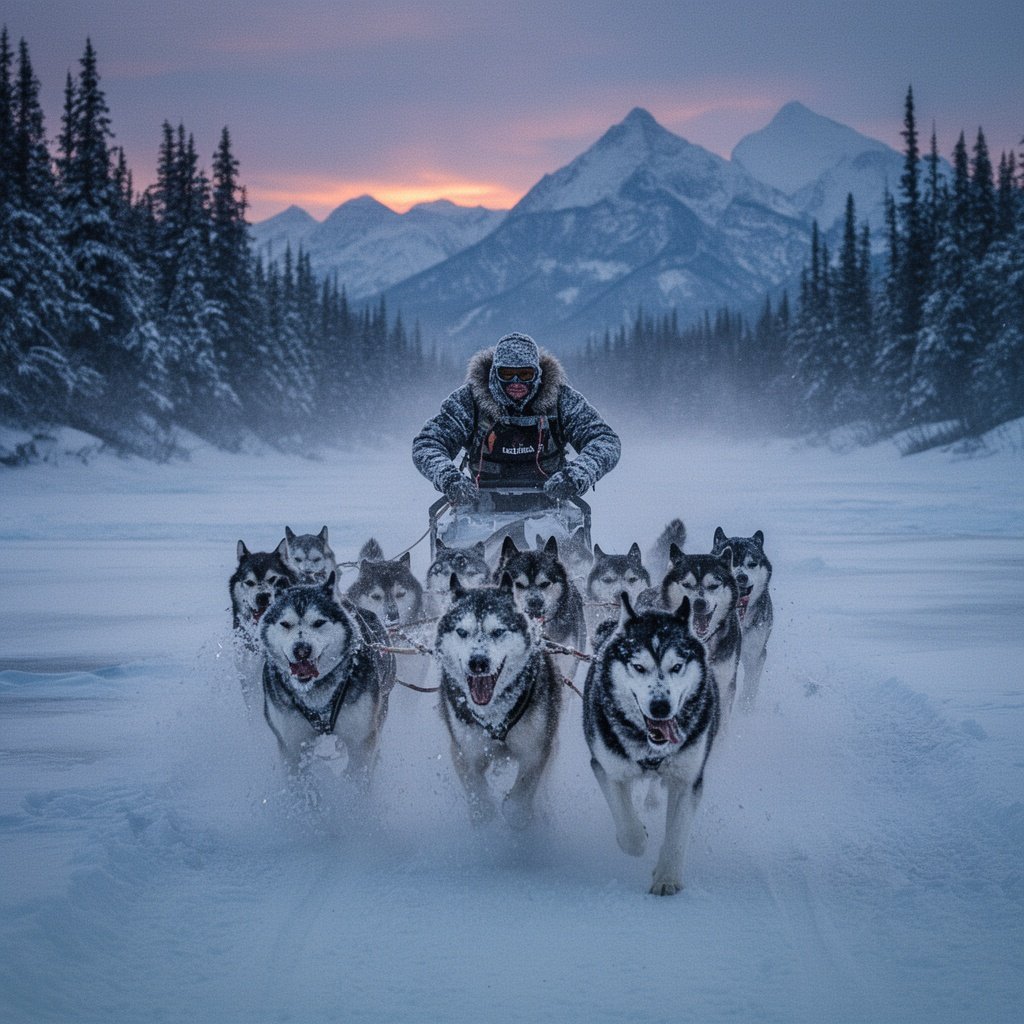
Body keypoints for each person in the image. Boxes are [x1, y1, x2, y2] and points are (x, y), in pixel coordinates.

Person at [412, 332, 620, 508]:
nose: (516, 382)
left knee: (569, 556)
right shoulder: (468, 402)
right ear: (495, 373)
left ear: (537, 374)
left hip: (552, 508)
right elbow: (428, 444)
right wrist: (450, 479)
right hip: (478, 508)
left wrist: (576, 476)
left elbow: (605, 440)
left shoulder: (562, 400)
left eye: (525, 374)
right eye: (508, 373)